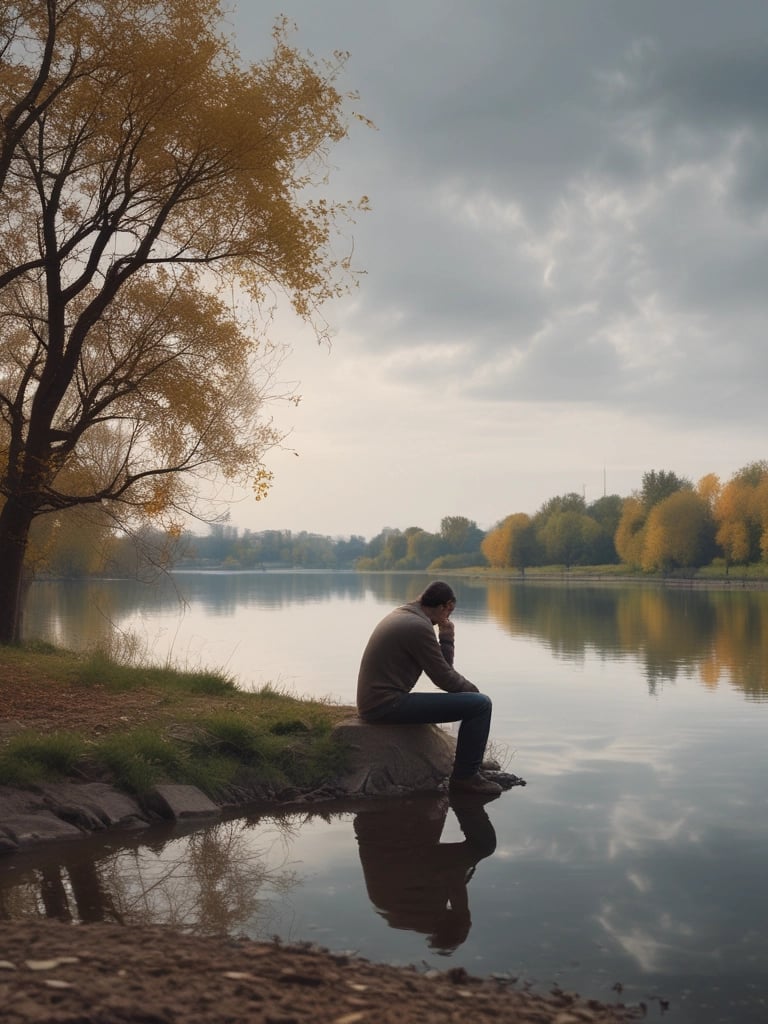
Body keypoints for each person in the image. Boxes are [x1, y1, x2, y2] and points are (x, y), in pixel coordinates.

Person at [356, 581, 502, 797]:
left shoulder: (407, 614)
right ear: (446, 606)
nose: (449, 617)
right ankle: (465, 778)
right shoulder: (417, 626)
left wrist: (446, 636)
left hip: (380, 700)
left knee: (473, 702)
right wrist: (474, 693)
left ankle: (471, 763)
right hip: (385, 705)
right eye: (449, 612)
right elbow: (444, 678)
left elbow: (443, 670)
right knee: (480, 705)